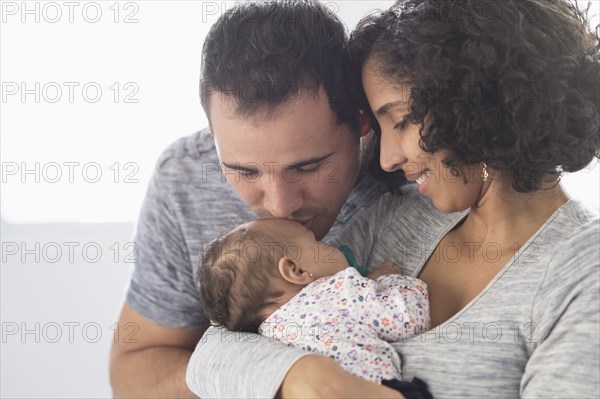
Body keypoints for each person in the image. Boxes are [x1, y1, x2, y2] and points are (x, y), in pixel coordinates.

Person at [187, 0, 600, 398]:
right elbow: (217, 348)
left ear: (480, 106)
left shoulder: (582, 268)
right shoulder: (398, 220)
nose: (385, 160)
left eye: (401, 121)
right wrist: (305, 377)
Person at [109, 1, 401, 397]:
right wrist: (281, 375)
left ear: (362, 121)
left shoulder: (415, 170)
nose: (280, 207)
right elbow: (134, 369)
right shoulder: (186, 179)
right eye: (244, 171)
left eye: (308, 166)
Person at [197, 218, 431, 395]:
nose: (330, 245)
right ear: (296, 271)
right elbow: (408, 321)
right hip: (371, 387)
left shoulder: (265, 333)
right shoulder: (340, 289)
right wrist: (389, 282)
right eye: (316, 242)